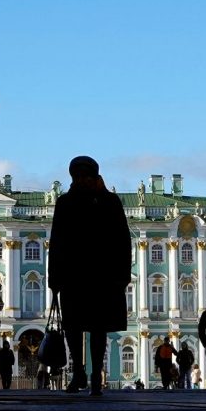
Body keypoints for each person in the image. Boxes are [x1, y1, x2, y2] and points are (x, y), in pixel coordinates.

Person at [48, 156, 131, 396]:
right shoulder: (65, 203)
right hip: (75, 276)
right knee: (73, 327)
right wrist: (55, 278)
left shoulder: (110, 202)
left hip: (102, 277)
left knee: (98, 328)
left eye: (86, 176)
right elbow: (57, 242)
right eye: (78, 177)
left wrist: (123, 275)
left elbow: (122, 240)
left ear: (95, 177)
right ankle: (79, 372)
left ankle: (95, 376)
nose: (82, 180)